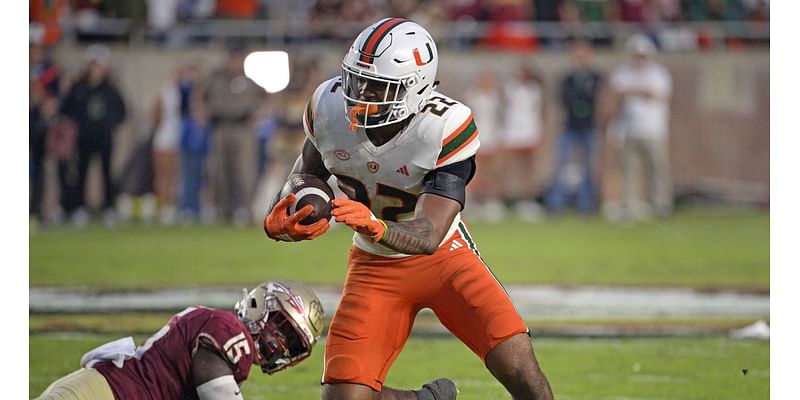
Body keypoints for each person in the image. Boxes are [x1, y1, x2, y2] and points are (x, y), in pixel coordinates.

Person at [263, 17, 554, 400]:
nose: (359, 95)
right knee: (344, 398)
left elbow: (430, 233)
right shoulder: (328, 106)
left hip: (447, 261)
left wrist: (374, 225)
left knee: (520, 370)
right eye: (356, 80)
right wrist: (290, 206)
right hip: (373, 266)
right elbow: (307, 174)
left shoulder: (445, 125)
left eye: (375, 86)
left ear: (414, 89)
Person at [35, 279, 325, 399]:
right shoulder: (229, 331)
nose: (281, 345)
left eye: (292, 343)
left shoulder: (222, 328)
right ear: (261, 306)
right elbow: (217, 393)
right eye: (281, 329)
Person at [58, 44, 127, 228]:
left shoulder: (110, 90)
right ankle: (79, 208)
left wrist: (111, 126)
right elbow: (66, 109)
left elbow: (122, 111)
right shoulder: (78, 88)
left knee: (106, 174)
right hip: (84, 138)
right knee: (81, 173)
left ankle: (108, 208)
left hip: (104, 138)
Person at [608, 33, 673, 220]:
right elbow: (617, 95)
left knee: (658, 170)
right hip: (629, 128)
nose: (639, 59)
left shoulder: (659, 73)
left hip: (654, 129)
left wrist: (633, 91)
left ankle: (660, 206)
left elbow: (656, 95)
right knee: (628, 172)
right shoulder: (623, 72)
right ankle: (628, 207)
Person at [203, 44, 268, 225]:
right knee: (220, 172)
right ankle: (224, 212)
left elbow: (265, 100)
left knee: (245, 172)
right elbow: (202, 99)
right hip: (221, 127)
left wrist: (258, 115)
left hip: (243, 129)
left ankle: (247, 212)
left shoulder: (249, 82)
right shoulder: (216, 79)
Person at [545, 38, 602, 214]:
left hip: (589, 126)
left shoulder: (595, 77)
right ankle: (556, 204)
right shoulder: (568, 79)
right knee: (560, 164)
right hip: (570, 126)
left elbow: (597, 100)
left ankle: (586, 204)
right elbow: (564, 100)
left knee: (588, 166)